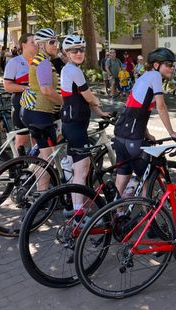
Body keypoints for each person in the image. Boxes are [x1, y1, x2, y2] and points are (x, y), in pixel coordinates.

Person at [113, 47, 176, 196]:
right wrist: (172, 132)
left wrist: (146, 133)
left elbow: (139, 109)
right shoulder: (155, 76)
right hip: (132, 137)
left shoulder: (145, 77)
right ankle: (149, 218)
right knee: (148, 182)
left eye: (174, 65)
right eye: (169, 64)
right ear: (157, 65)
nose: (172, 68)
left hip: (122, 133)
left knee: (123, 176)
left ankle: (115, 213)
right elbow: (161, 106)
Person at [59, 35, 110, 216]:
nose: (79, 53)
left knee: (75, 168)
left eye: (81, 49)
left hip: (71, 124)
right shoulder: (74, 71)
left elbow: (83, 98)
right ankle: (78, 214)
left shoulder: (68, 69)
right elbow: (88, 96)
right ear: (67, 52)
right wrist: (99, 103)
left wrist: (100, 113)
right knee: (82, 169)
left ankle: (72, 207)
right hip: (76, 126)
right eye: (74, 50)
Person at [20, 28, 62, 193]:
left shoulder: (41, 60)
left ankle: (37, 186)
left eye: (56, 42)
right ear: (41, 45)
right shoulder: (43, 62)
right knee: (47, 156)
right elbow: (47, 91)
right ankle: (42, 193)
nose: (56, 46)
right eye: (52, 42)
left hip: (34, 111)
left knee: (43, 154)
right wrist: (65, 103)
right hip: (39, 113)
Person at [3, 33, 38, 153]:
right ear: (24, 45)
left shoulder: (41, 61)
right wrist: (27, 88)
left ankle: (37, 168)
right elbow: (7, 86)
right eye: (33, 42)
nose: (36, 45)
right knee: (21, 139)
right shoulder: (15, 62)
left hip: (39, 105)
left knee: (38, 139)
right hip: (21, 103)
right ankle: (17, 167)